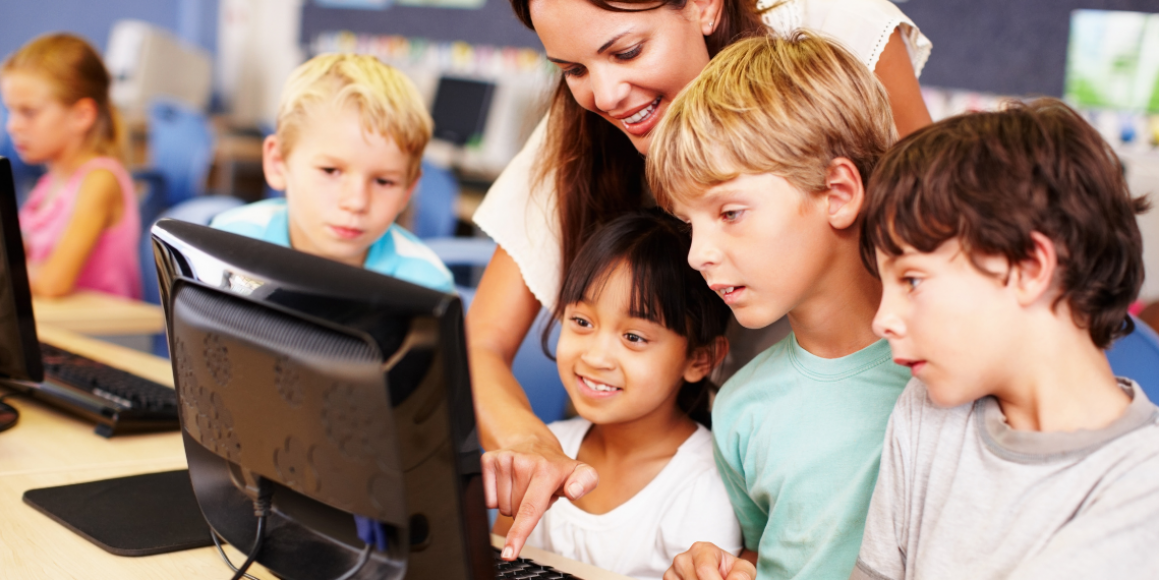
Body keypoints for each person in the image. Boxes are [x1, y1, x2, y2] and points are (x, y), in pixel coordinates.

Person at [471, 0, 932, 559]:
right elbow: (778, 553)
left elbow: (935, 231)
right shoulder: (746, 413)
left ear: (705, 7)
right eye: (573, 70)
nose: (606, 93)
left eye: (627, 50)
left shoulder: (937, 386)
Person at [852, 100, 1159, 580]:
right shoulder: (926, 410)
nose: (882, 319)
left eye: (911, 280)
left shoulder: (1143, 485)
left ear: (1028, 268)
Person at [648, 34, 908, 580]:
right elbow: (775, 556)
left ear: (837, 194)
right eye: (689, 224)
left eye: (731, 213)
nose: (697, 255)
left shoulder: (949, 379)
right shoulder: (742, 405)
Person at [490, 210, 741, 577]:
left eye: (634, 337)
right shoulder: (548, 447)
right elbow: (495, 560)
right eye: (582, 322)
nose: (595, 356)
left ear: (700, 359)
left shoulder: (704, 487)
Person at [211, 54, 454, 293]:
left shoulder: (427, 288)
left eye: (384, 181)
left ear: (408, 190)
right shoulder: (228, 242)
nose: (356, 202)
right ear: (278, 163)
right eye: (330, 171)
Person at [1, 33, 141, 299]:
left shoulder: (100, 180)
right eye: (10, 111)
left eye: (28, 112)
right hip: (61, 325)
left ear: (82, 116)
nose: (13, 126)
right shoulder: (48, 185)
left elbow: (54, 283)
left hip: (99, 334)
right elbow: (19, 254)